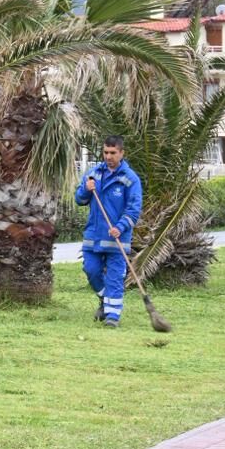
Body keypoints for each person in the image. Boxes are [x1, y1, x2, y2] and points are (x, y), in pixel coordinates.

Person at [75, 135, 143, 328]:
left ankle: (113, 317)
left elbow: (133, 209)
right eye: (106, 152)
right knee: (91, 270)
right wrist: (86, 190)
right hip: (93, 237)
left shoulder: (130, 179)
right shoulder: (93, 174)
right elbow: (79, 199)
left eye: (113, 153)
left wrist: (120, 227)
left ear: (121, 153)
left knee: (114, 277)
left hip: (117, 239)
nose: (108, 156)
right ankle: (105, 302)